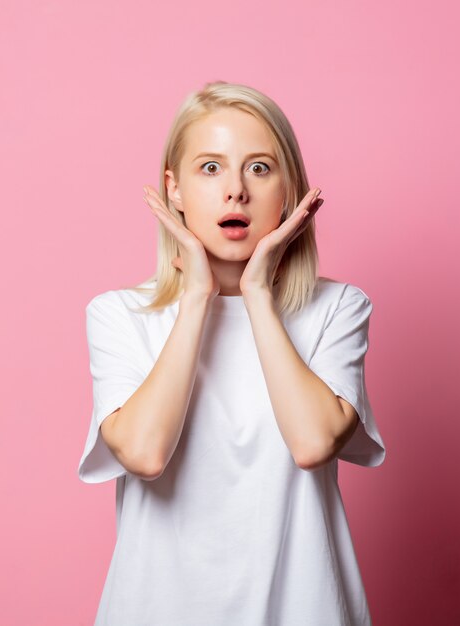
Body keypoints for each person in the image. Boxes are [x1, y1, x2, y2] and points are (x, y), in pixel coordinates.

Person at [78, 80, 386, 626]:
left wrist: (258, 296)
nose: (236, 191)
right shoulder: (119, 315)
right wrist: (195, 296)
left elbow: (313, 442)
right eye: (211, 167)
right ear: (173, 189)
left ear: (289, 188)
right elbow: (145, 454)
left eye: (260, 168)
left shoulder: (338, 308)